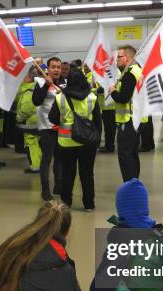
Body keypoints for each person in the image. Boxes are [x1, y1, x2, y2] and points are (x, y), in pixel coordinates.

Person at [49, 68, 101, 211]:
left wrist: (64, 121)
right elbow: (98, 121)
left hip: (66, 142)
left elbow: (52, 118)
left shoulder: (61, 97)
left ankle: (66, 202)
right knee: (87, 173)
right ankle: (89, 204)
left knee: (67, 173)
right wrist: (96, 140)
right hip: (88, 143)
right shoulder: (92, 97)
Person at [33, 57, 66, 202]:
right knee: (47, 159)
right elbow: (36, 101)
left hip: (62, 126)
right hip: (47, 126)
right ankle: (45, 190)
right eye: (53, 67)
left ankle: (58, 185)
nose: (56, 70)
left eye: (58, 67)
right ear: (48, 69)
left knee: (60, 158)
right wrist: (46, 85)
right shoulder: (40, 82)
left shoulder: (64, 83)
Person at [109, 45, 143, 182]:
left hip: (127, 120)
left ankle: (130, 185)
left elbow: (123, 98)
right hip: (137, 119)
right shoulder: (138, 71)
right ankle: (134, 182)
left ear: (127, 58)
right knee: (133, 153)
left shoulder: (130, 74)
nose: (116, 59)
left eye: (119, 57)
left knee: (125, 155)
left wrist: (113, 92)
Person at [16, 69, 41, 174]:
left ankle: (35, 166)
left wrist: (19, 118)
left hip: (30, 121)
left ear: (29, 78)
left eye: (23, 76)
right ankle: (39, 164)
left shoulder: (28, 90)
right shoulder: (34, 88)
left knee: (31, 142)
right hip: (37, 120)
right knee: (36, 143)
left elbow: (26, 109)